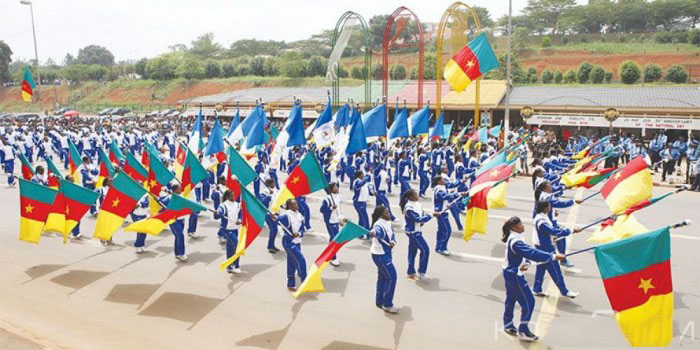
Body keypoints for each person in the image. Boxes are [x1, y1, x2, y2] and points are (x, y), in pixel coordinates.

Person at [501, 217, 566, 342]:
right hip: (514, 275)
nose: (522, 225)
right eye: (519, 224)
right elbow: (532, 252)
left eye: (521, 223)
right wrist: (553, 256)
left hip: (510, 272)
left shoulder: (516, 236)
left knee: (511, 298)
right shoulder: (516, 241)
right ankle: (523, 330)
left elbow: (524, 254)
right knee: (529, 302)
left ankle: (508, 324)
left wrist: (526, 262)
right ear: (513, 228)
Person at [531, 200, 580, 298]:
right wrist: (569, 231)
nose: (550, 207)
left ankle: (536, 288)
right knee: (555, 271)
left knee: (541, 268)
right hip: (546, 248)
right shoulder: (541, 221)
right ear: (545, 208)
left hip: (542, 246)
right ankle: (564, 291)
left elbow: (551, 231)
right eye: (549, 206)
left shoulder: (542, 216)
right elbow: (552, 230)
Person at [369, 205, 399, 314]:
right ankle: (387, 304)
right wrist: (374, 233)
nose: (389, 214)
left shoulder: (388, 223)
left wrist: (393, 242)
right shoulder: (378, 225)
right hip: (380, 255)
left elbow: (393, 236)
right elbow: (377, 232)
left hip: (386, 252)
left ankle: (379, 300)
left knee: (382, 277)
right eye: (387, 212)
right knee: (392, 277)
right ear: (382, 215)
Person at [400, 189, 436, 280]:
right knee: (425, 250)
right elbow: (418, 219)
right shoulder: (409, 208)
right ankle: (422, 271)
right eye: (416, 195)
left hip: (417, 230)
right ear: (411, 197)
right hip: (413, 232)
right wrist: (431, 215)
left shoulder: (418, 204)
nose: (418, 196)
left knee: (412, 251)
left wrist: (425, 218)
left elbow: (421, 215)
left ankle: (410, 271)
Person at [276, 199, 306, 291]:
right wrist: (274, 218)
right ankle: (305, 280)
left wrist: (299, 234)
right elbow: (277, 220)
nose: (296, 205)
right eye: (294, 204)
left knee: (291, 262)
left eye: (296, 203)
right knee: (301, 259)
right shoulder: (286, 216)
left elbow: (302, 229)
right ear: (289, 206)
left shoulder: (300, 215)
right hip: (289, 242)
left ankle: (290, 283)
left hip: (297, 242)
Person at [432, 175, 465, 255]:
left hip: (443, 211)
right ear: (439, 181)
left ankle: (438, 247)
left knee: (441, 230)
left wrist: (462, 181)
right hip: (441, 213)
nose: (444, 180)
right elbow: (446, 196)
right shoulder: (439, 190)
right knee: (447, 230)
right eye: (443, 179)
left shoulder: (442, 186)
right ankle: (442, 248)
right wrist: (458, 193)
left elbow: (451, 185)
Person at [216, 190, 242, 274]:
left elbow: (241, 214)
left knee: (230, 247)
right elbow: (217, 215)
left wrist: (239, 220)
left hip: (235, 229)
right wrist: (217, 213)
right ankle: (236, 265)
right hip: (226, 230)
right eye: (231, 196)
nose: (233, 197)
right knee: (237, 245)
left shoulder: (237, 204)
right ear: (227, 197)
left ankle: (228, 265)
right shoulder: (223, 206)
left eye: (234, 196)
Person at [319, 182, 342, 266]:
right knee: (335, 240)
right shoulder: (327, 199)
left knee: (333, 238)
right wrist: (331, 208)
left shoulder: (338, 197)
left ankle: (329, 253)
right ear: (331, 189)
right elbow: (322, 210)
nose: (337, 188)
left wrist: (341, 218)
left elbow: (339, 210)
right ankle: (333, 258)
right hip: (330, 221)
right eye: (335, 187)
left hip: (336, 220)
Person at [258, 178, 279, 253]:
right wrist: (269, 196)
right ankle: (270, 246)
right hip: (269, 214)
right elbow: (263, 203)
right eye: (273, 183)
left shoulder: (275, 190)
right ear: (269, 184)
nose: (274, 184)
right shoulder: (264, 192)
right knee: (274, 229)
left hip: (275, 213)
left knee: (273, 230)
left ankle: (271, 245)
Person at [352, 170, 373, 235]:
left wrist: (372, 193)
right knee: (365, 219)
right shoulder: (356, 181)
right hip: (358, 202)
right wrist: (368, 174)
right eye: (362, 174)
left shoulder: (364, 182)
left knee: (361, 218)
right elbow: (361, 184)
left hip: (363, 202)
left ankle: (359, 233)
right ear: (359, 175)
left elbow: (368, 190)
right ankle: (367, 234)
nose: (363, 175)